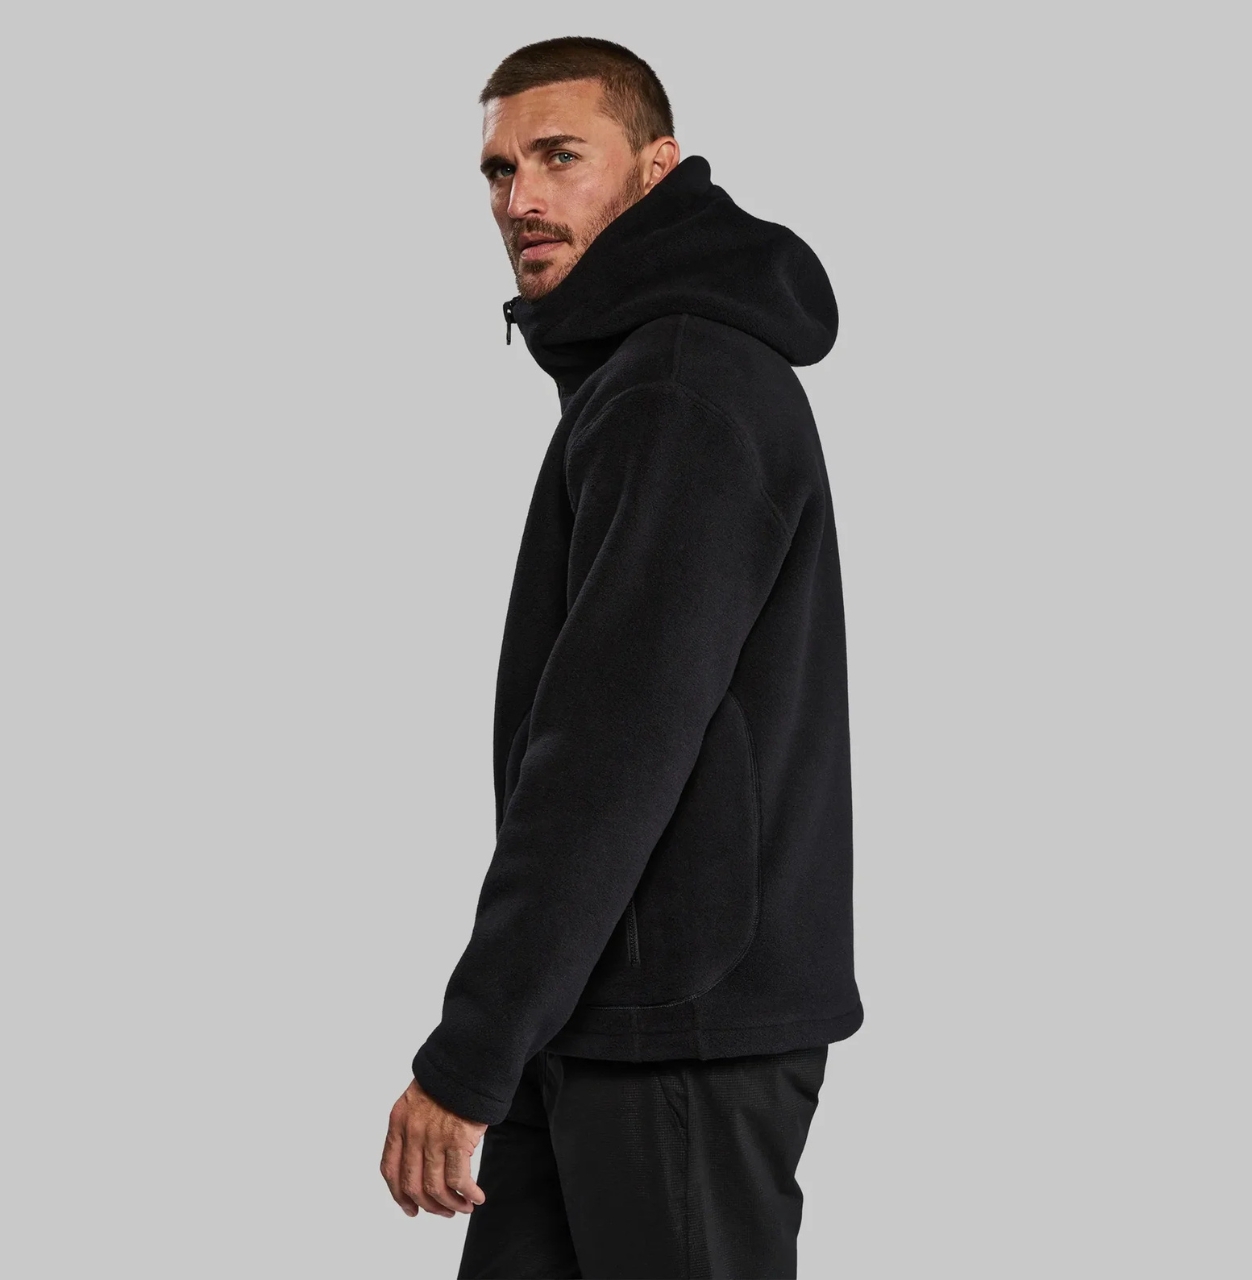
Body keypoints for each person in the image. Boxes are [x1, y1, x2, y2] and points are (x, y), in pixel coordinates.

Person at [381, 36, 864, 1278]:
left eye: (559, 157)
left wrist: (470, 1049)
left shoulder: (677, 386)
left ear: (655, 169)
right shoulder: (642, 375)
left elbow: (606, 750)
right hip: (603, 1011)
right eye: (498, 170)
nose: (519, 199)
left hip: (674, 1032)